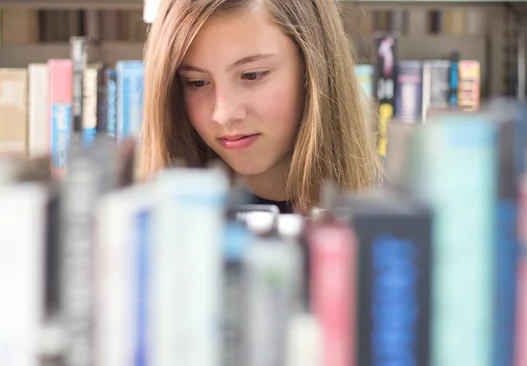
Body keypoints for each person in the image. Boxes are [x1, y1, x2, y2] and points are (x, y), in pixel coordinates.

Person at [139, 0, 383, 214]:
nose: (223, 114)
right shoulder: (139, 220)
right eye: (197, 82)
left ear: (314, 69)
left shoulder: (395, 216)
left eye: (253, 75)